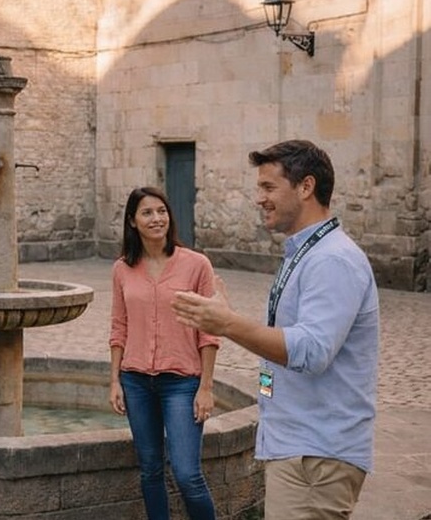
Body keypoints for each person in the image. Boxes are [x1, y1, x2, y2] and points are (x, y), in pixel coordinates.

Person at [172, 140, 380, 520]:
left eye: (268, 187)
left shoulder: (332, 259)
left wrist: (228, 323)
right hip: (299, 449)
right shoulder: (304, 253)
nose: (259, 198)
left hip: (316, 456)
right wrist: (230, 319)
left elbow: (313, 351)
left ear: (306, 187)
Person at [109, 186, 219, 520]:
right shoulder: (122, 269)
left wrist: (207, 386)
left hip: (182, 384)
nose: (156, 218)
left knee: (188, 475)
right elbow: (119, 326)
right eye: (147, 212)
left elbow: (209, 330)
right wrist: (114, 380)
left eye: (161, 211)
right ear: (133, 221)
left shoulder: (197, 265)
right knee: (151, 471)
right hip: (136, 382)